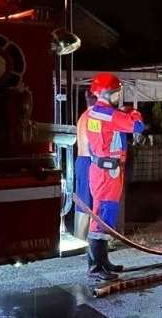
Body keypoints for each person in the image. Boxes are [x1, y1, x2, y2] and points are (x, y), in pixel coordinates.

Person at [83, 72, 145, 282]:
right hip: (107, 173)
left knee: (104, 217)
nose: (119, 97)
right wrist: (134, 112)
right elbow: (137, 126)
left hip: (103, 171)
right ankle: (95, 267)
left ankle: (102, 262)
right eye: (117, 93)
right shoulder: (108, 114)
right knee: (102, 218)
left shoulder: (96, 112)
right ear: (107, 93)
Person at [73, 92, 96, 241]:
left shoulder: (82, 117)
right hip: (89, 161)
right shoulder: (93, 118)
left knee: (82, 201)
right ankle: (83, 239)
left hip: (81, 160)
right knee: (87, 203)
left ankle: (80, 236)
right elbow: (93, 142)